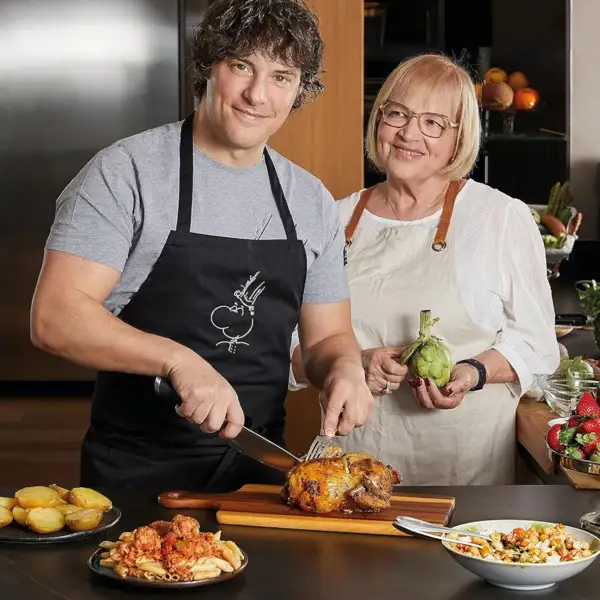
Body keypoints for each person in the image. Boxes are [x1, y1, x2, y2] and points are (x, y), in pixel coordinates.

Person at [30, 0, 373, 492]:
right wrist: (179, 360)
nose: (258, 94)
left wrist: (344, 369)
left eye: (281, 76)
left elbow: (326, 339)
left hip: (259, 475)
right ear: (208, 66)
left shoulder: (309, 200)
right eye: (241, 67)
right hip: (139, 474)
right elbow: (54, 317)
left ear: (300, 89)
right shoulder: (128, 172)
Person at [289, 54, 559, 485]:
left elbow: (538, 344)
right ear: (379, 120)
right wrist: (351, 362)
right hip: (351, 475)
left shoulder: (498, 218)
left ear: (459, 138)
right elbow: (290, 354)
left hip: (464, 481)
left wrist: (473, 371)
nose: (408, 133)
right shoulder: (333, 220)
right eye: (397, 114)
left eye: (433, 122)